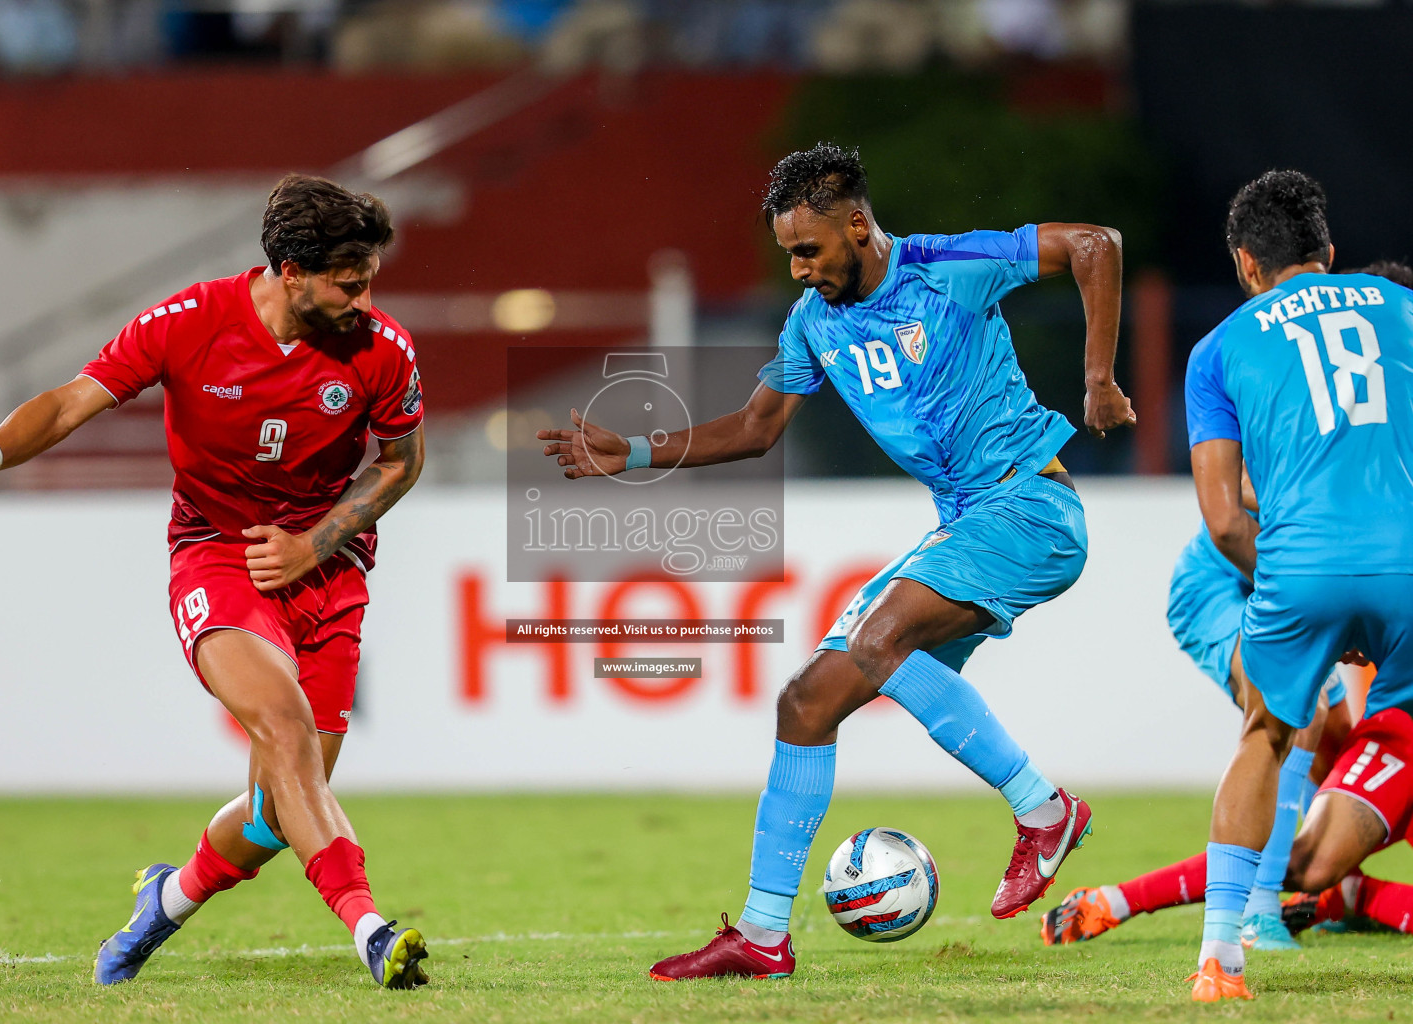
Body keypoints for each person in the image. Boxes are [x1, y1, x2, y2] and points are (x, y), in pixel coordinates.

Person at [537, 142, 1135, 980]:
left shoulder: (946, 267)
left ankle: (1045, 810)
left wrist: (1098, 378)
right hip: (968, 521)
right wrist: (633, 451)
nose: (798, 269)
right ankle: (761, 934)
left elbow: (1094, 245)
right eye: (788, 253)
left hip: (1029, 504)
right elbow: (755, 427)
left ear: (858, 225)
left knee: (873, 638)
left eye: (808, 250)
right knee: (808, 701)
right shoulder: (814, 323)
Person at [0, 174, 430, 990]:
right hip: (218, 557)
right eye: (349, 281)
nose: (364, 297)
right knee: (284, 728)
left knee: (280, 807)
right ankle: (370, 929)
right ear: (291, 269)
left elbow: (403, 465)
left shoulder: (382, 350)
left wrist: (316, 542)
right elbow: (68, 404)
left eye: (369, 278)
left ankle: (166, 900)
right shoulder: (189, 323)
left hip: (328, 572)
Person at [1045, 264, 1413, 954]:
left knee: (1311, 805)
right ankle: (1256, 916)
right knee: (1293, 714)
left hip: (1295, 587)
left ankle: (1328, 895)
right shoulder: (1343, 411)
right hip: (1222, 581)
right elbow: (1241, 494)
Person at [1183, 170, 1413, 1001]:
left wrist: (1292, 591)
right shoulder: (1401, 308)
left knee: (1267, 737)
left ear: (1247, 264)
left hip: (1301, 563)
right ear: (1331, 253)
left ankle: (1220, 957)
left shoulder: (1218, 348)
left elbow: (1222, 520)